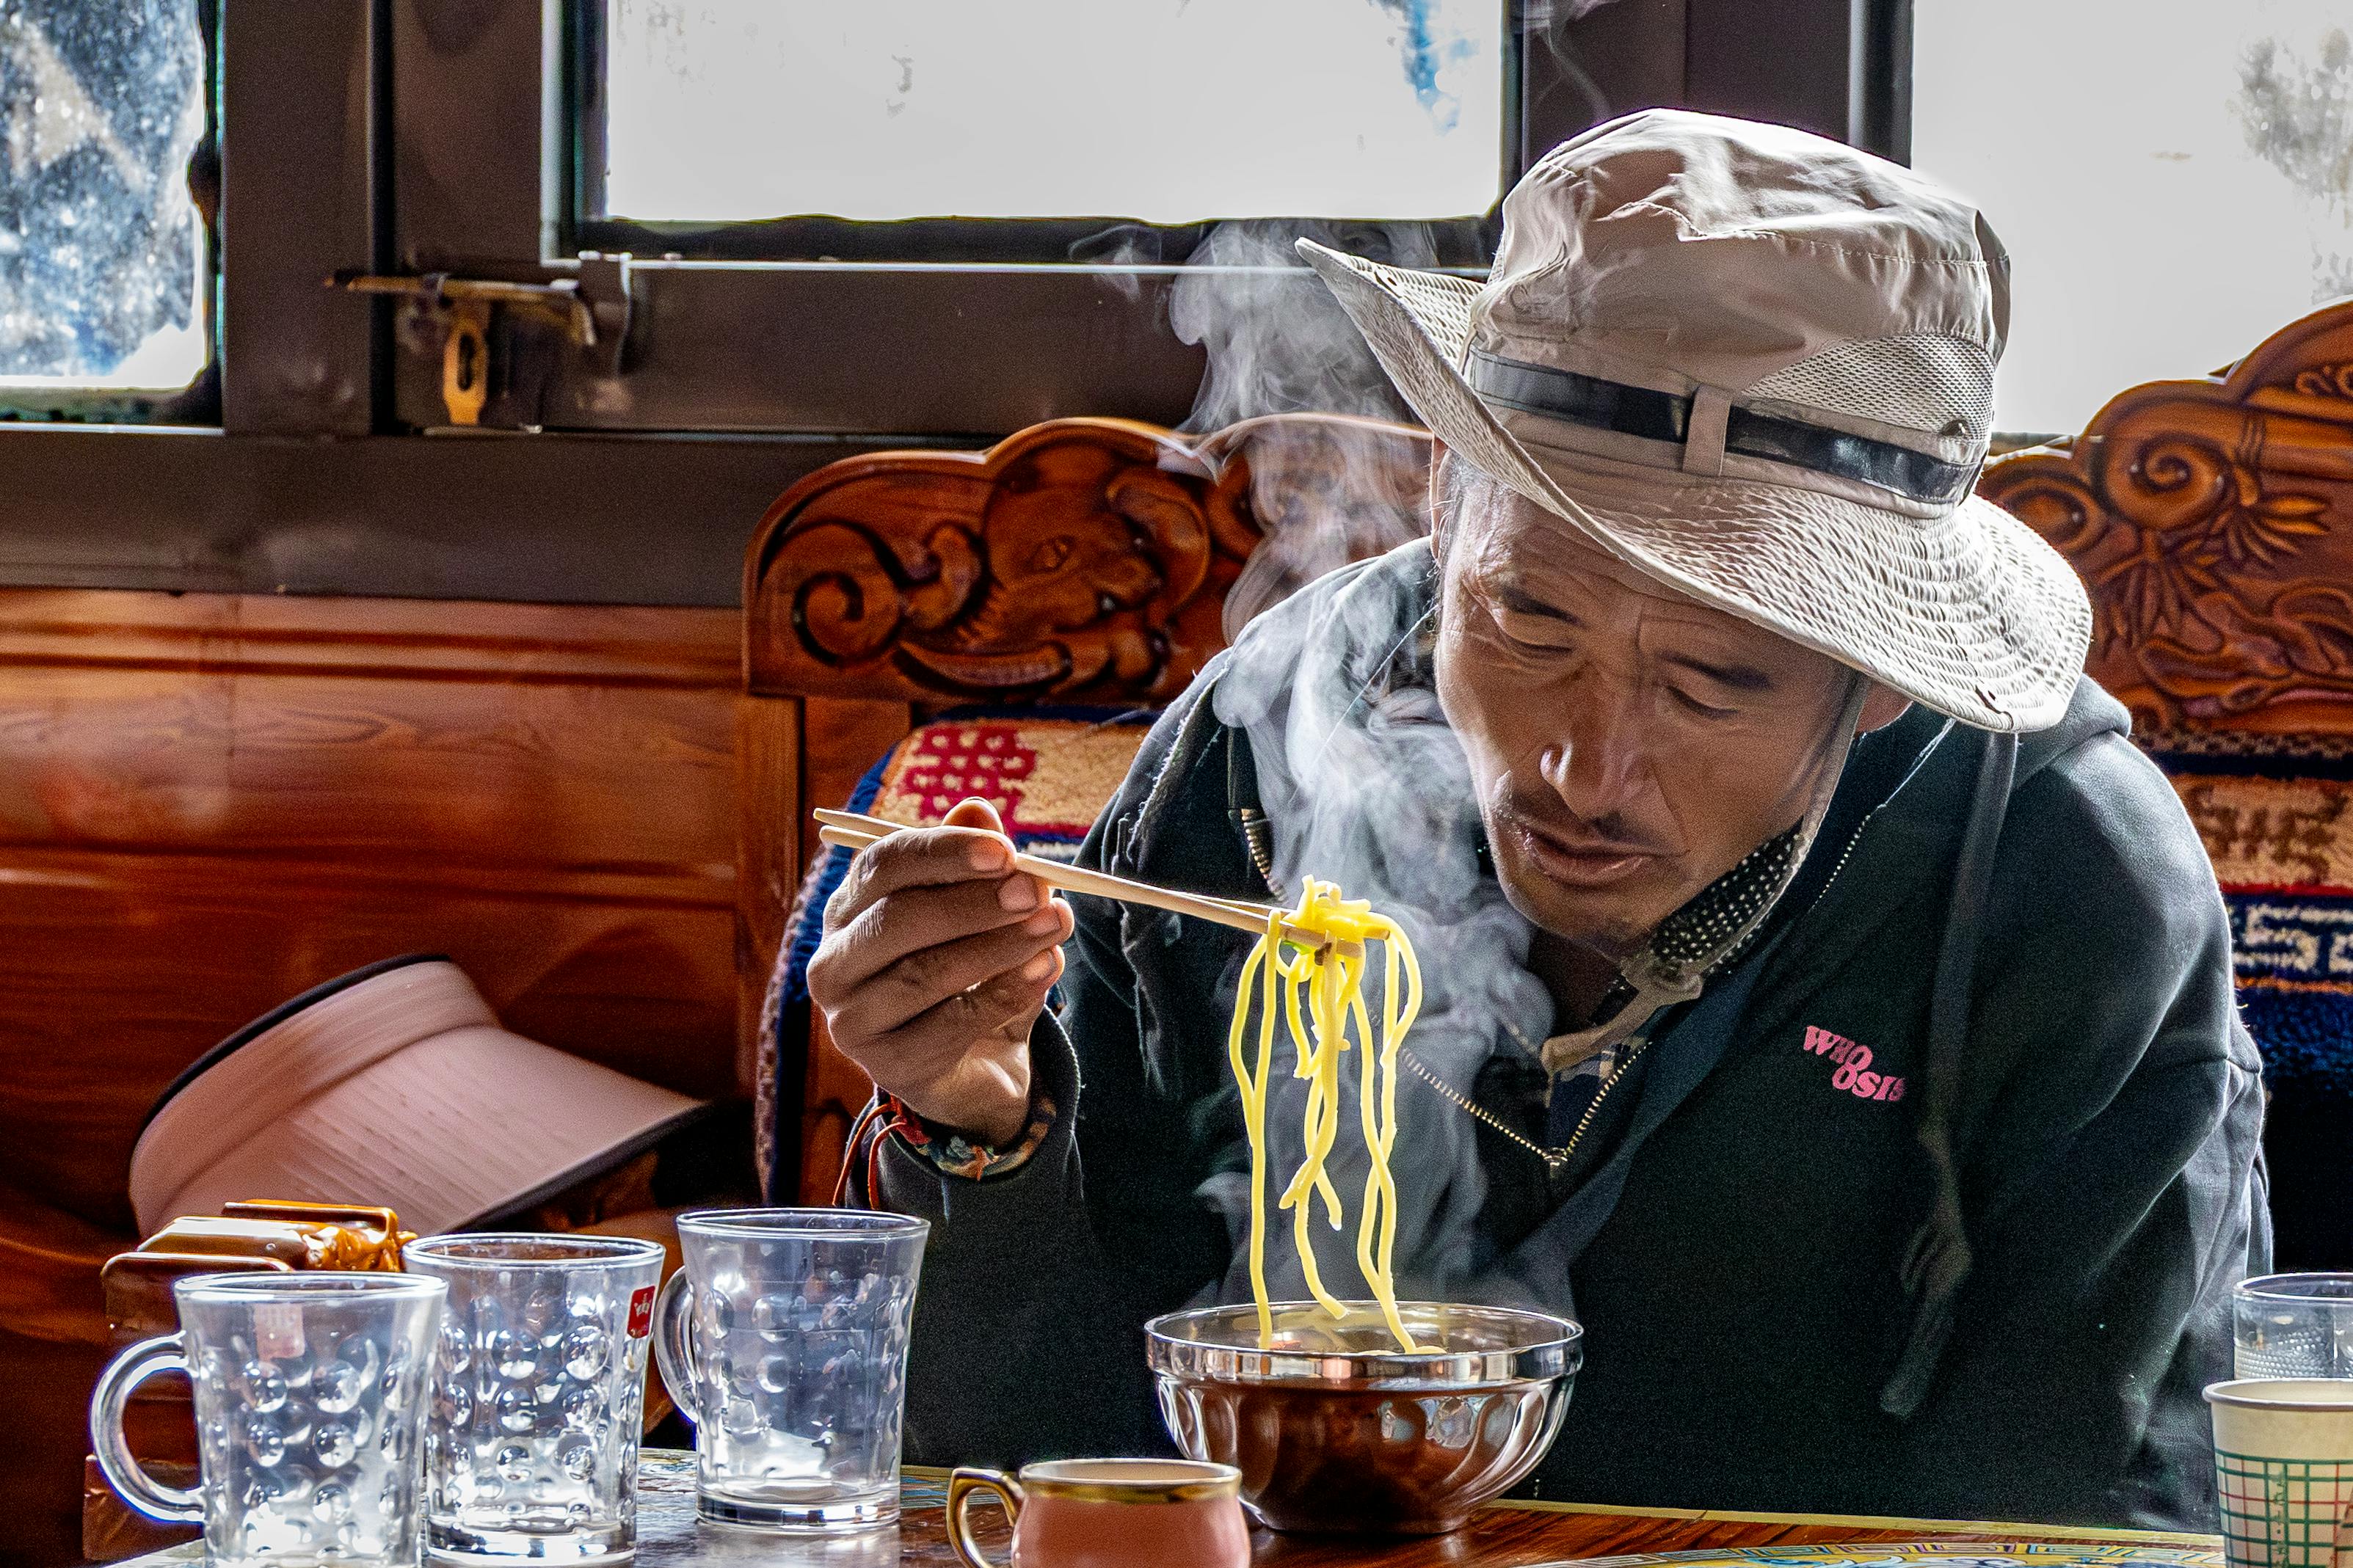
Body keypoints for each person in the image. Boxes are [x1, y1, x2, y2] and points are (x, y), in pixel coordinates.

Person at [804, 109, 2268, 1528]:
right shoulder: (1265, 744)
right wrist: (983, 1124)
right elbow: (1039, 1459)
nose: (1583, 767)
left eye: (1709, 685)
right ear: (1448, 498)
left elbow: (2102, 1511)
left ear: (1876, 679)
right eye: (1526, 623)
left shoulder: (2064, 876)